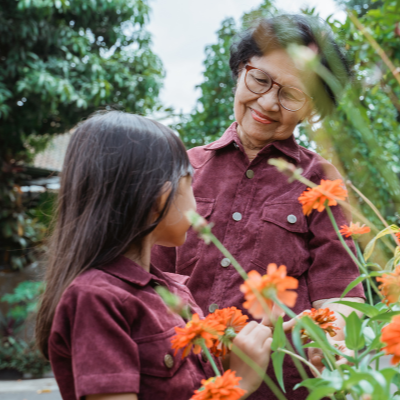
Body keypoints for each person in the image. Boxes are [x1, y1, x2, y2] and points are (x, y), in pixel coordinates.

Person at [152, 14, 365, 400]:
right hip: (184, 383)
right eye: (261, 79)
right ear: (239, 71)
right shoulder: (181, 167)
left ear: (311, 109)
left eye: (291, 94)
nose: (267, 102)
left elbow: (341, 292)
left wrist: (332, 342)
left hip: (282, 387)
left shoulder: (319, 181)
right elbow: (147, 277)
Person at [35, 111, 275, 400]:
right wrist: (237, 385)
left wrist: (258, 339)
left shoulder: (169, 291)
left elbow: (190, 382)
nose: (197, 206)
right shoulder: (96, 299)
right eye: (191, 187)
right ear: (160, 199)